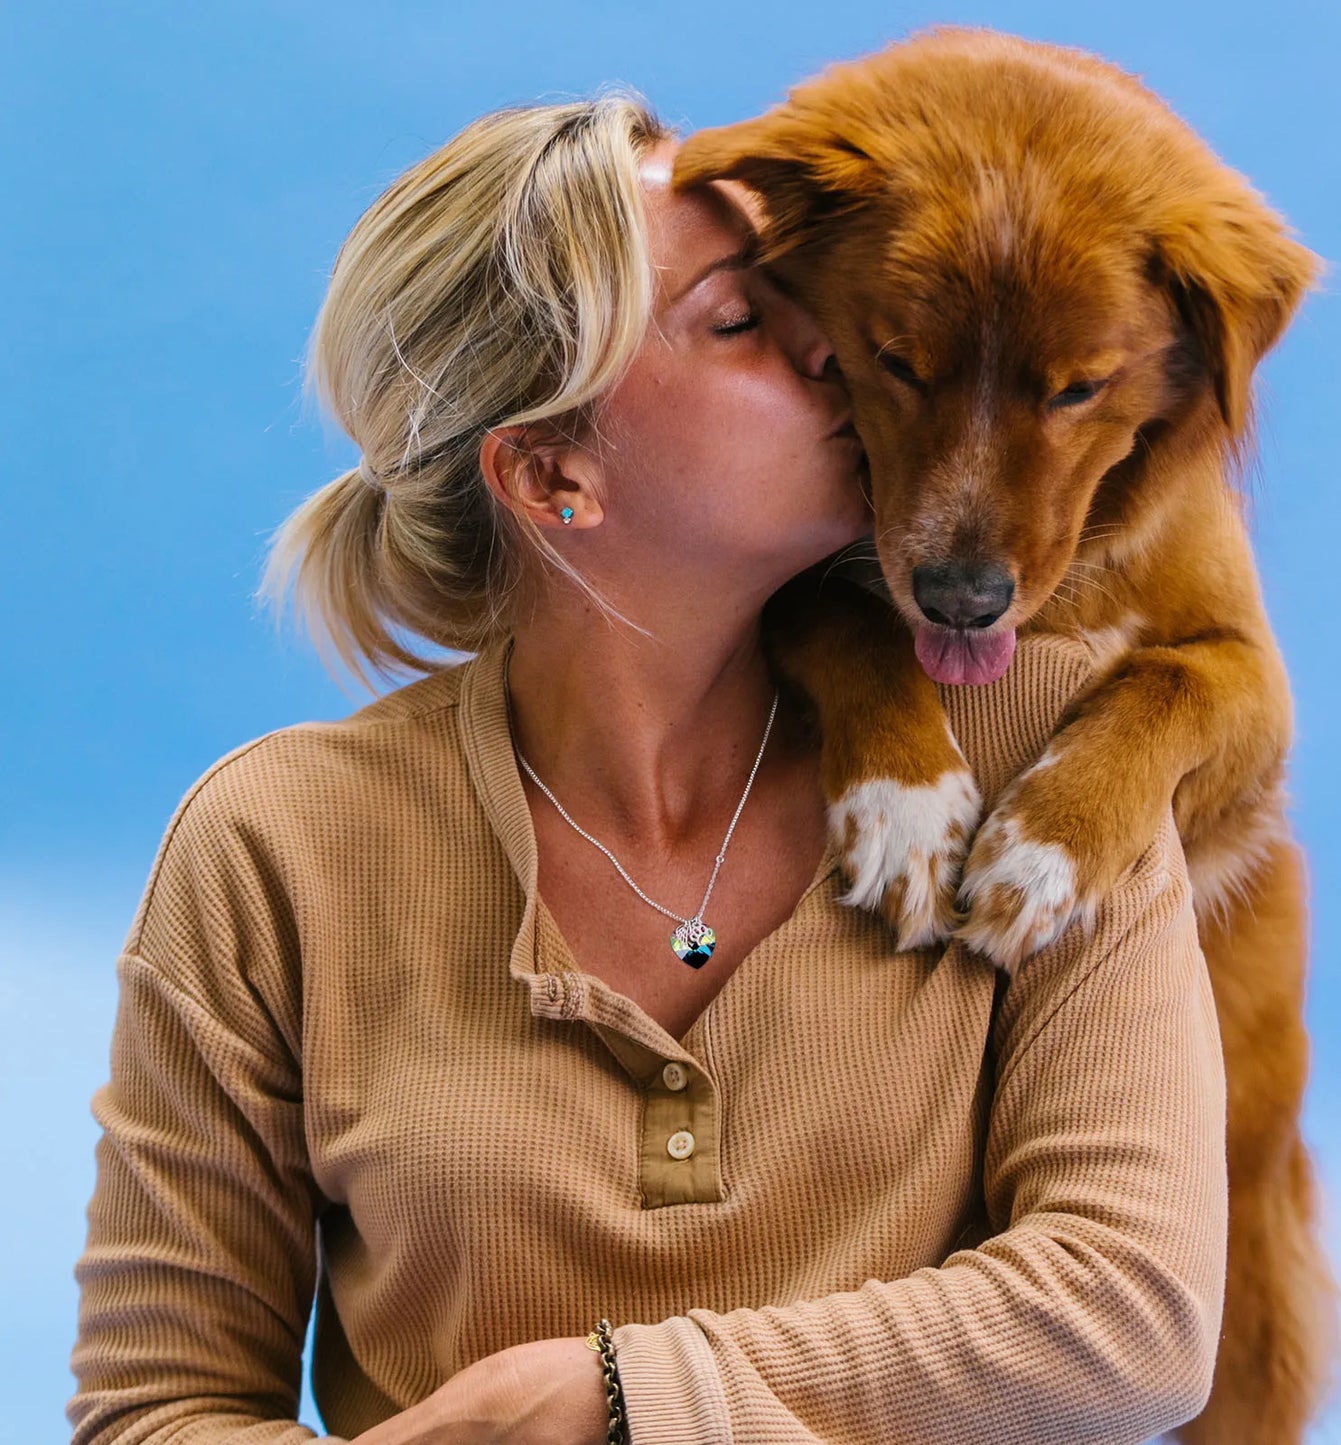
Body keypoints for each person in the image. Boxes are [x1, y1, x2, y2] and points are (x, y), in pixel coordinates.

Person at [67, 88, 1228, 1445]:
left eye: (802, 292)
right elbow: (157, 1410)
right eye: (739, 319)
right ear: (553, 475)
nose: (833, 340)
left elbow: (1132, 1311)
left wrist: (619, 1399)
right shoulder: (275, 845)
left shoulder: (1042, 744)